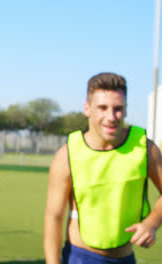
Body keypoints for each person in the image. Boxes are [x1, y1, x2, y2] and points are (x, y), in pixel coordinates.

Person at [44, 72, 162, 264]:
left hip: (125, 259)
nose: (111, 116)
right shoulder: (66, 156)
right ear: (87, 109)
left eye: (117, 108)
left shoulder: (145, 149)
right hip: (79, 257)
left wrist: (151, 223)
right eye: (102, 108)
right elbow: (54, 217)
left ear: (125, 110)